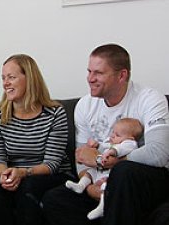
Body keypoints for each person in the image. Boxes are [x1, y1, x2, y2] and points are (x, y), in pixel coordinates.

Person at [42, 43, 169, 225]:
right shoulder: (85, 105)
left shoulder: (150, 99)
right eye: (89, 71)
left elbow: (159, 153)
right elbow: (82, 158)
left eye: (98, 73)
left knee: (123, 172)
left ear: (122, 75)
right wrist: (91, 189)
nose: (90, 79)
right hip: (101, 180)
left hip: (144, 179)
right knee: (54, 199)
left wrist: (109, 161)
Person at [0, 54, 72, 225]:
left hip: (51, 175)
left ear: (29, 79)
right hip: (14, 173)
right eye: (3, 78)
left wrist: (22, 173)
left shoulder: (54, 113)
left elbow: (51, 164)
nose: (5, 83)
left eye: (11, 77)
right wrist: (5, 174)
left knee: (28, 187)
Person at [65, 117, 143, 220]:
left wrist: (112, 151)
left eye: (117, 135)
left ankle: (102, 206)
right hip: (101, 169)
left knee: (106, 185)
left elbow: (120, 149)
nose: (112, 136)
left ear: (130, 138)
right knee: (89, 172)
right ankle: (81, 185)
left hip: (111, 173)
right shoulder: (113, 141)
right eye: (113, 132)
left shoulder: (129, 144)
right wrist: (96, 145)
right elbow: (104, 146)